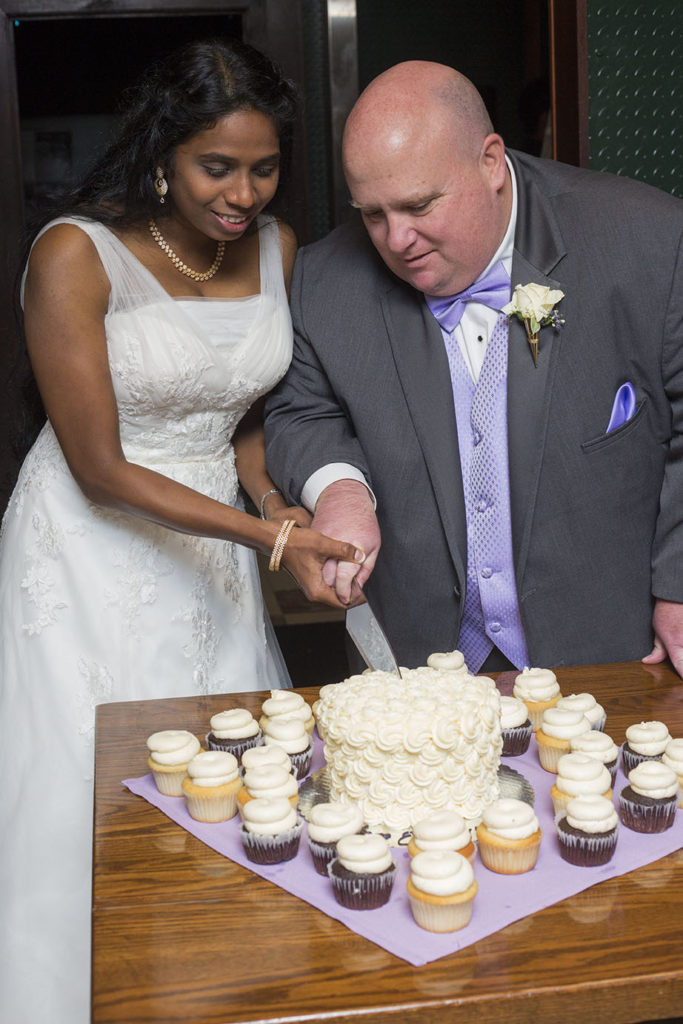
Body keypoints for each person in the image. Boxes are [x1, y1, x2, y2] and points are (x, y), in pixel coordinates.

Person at [0, 39, 363, 1024]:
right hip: (87, 546)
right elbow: (101, 468)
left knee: (221, 782)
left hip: (214, 543)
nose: (242, 193)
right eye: (217, 167)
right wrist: (270, 540)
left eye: (263, 167)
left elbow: (238, 408)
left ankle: (208, 995)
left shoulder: (277, 248)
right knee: (94, 790)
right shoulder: (75, 252)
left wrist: (273, 500)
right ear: (164, 153)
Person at [265, 60, 683, 679]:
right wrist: (340, 489)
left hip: (611, 655)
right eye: (372, 215)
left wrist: (678, 586)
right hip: (414, 669)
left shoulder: (648, 240)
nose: (396, 239)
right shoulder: (324, 282)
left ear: (491, 162)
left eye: (418, 205)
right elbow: (303, 409)